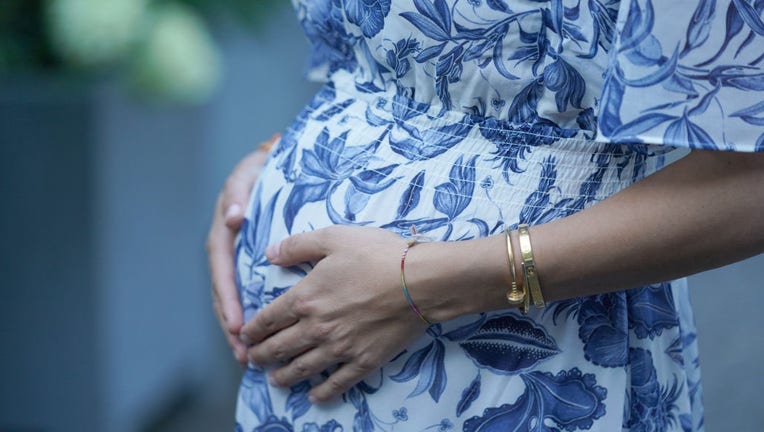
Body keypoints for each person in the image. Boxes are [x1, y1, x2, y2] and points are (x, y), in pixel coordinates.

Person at [207, 1, 764, 430]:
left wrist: (420, 285)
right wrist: (275, 158)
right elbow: (384, 63)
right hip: (311, 372)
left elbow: (751, 184)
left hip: (519, 357)